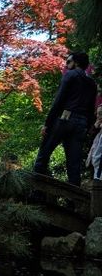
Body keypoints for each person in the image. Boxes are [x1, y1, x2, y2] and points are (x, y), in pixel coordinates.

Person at [33, 51, 98, 186]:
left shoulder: (70, 75)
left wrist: (47, 124)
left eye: (68, 61)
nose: (66, 64)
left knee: (44, 153)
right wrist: (88, 127)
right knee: (74, 164)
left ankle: (36, 192)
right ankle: (73, 203)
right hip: (82, 124)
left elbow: (59, 101)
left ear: (77, 63)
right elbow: (92, 108)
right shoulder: (92, 83)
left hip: (64, 119)